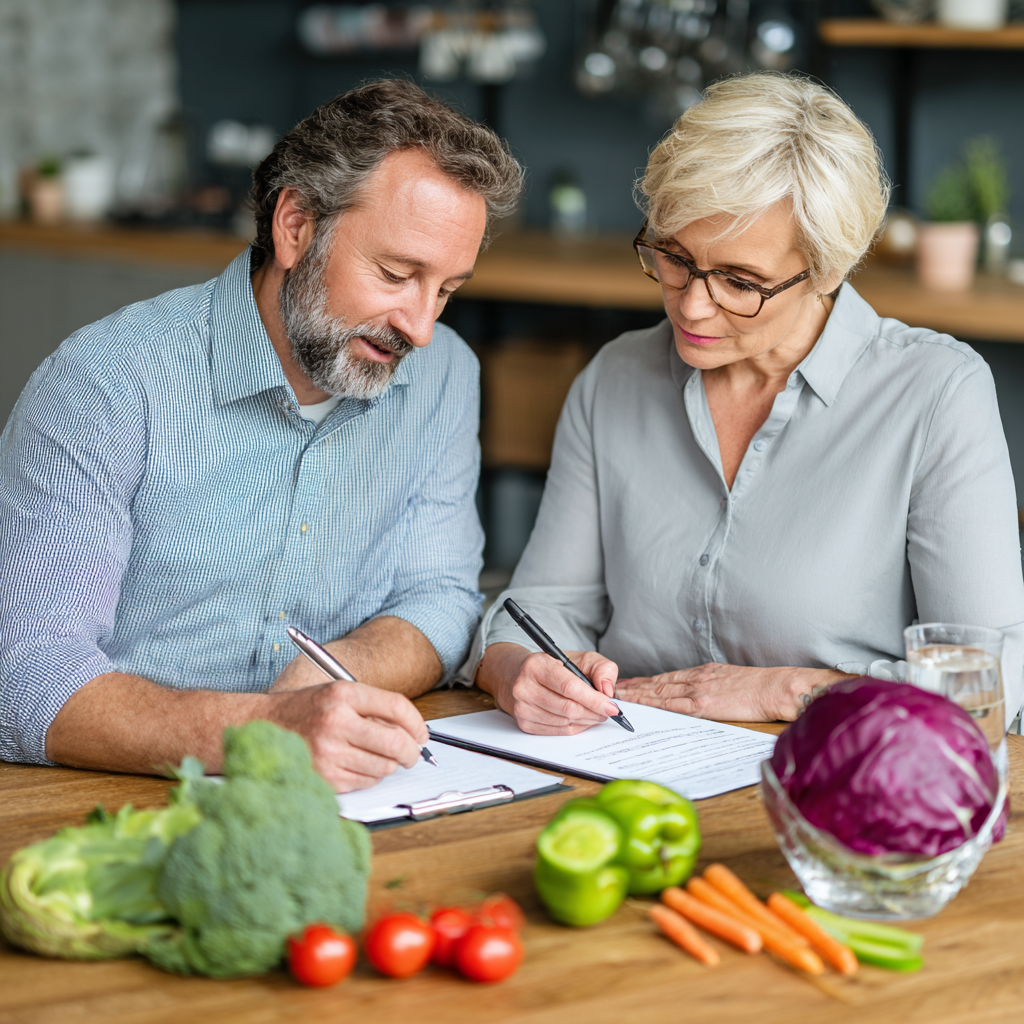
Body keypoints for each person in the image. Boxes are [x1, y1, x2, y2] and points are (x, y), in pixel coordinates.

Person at [0, 79, 523, 790]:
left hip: (346, 795)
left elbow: (440, 594)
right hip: (121, 793)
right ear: (296, 226)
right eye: (397, 274)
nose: (421, 327)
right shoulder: (105, 382)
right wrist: (265, 731)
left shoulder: (446, 376)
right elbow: (26, 673)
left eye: (447, 290)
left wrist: (336, 676)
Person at [471, 72, 1024, 736]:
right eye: (673, 257)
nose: (692, 305)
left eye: (740, 282)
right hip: (629, 772)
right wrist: (514, 669)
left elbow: (989, 681)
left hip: (843, 781)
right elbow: (542, 609)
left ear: (828, 269)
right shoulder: (615, 377)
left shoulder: (935, 394)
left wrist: (786, 691)